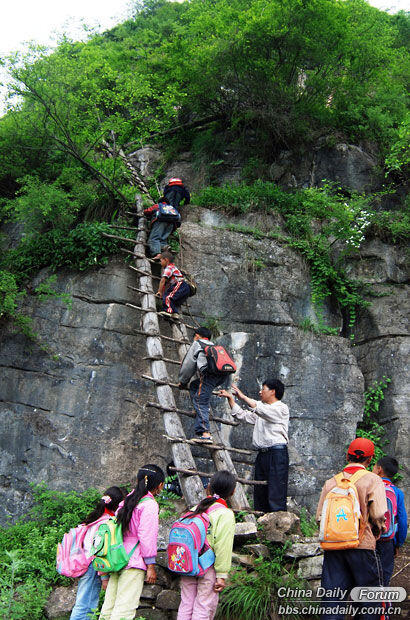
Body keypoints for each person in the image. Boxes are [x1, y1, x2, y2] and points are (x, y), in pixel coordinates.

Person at [316, 438, 388, 620]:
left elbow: (319, 518)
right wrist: (378, 530)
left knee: (332, 600)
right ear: (370, 459)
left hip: (334, 548)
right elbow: (379, 513)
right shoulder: (373, 480)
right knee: (367, 600)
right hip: (362, 546)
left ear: (347, 456)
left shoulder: (331, 482)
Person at [99, 465, 165, 620]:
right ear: (160, 485)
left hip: (117, 558)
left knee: (107, 609)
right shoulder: (149, 505)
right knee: (124, 611)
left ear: (137, 480)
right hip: (133, 561)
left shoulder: (125, 502)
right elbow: (146, 536)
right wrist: (150, 565)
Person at [219, 379, 289, 512]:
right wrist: (231, 399)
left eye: (263, 389)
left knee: (276, 489)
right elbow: (243, 415)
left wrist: (243, 397)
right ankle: (261, 518)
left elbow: (260, 409)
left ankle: (278, 522)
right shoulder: (261, 411)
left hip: (277, 453)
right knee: (260, 489)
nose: (260, 392)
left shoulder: (281, 408)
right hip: (263, 453)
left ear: (273, 392)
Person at [177, 470, 236, 620]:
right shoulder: (225, 514)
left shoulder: (194, 510)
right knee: (203, 605)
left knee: (186, 604)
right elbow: (223, 546)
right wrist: (221, 575)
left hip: (188, 563)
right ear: (233, 492)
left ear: (208, 488)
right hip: (207, 566)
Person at [70, 486, 124, 620]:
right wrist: (104, 577)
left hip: (87, 563)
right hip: (94, 566)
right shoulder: (107, 522)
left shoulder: (96, 518)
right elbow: (100, 551)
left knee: (84, 601)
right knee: (86, 604)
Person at [178, 327, 227, 443]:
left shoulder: (197, 344)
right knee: (195, 385)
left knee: (200, 401)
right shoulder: (214, 346)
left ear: (197, 335)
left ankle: (205, 433)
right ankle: (200, 411)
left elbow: (188, 365)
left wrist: (183, 381)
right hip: (222, 376)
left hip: (208, 375)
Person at [373, 456, 408, 586]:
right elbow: (403, 521)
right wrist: (398, 543)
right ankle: (382, 604)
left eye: (374, 466)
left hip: (369, 539)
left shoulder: (370, 488)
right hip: (388, 541)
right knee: (384, 576)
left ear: (379, 469)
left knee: (367, 576)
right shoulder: (397, 492)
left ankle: (364, 604)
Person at [156, 251, 191, 318]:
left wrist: (159, 291)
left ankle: (168, 311)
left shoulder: (169, 268)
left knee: (167, 297)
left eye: (161, 261)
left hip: (180, 285)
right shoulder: (173, 267)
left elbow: (163, 280)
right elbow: (167, 284)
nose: (160, 263)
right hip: (185, 289)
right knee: (173, 301)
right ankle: (175, 313)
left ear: (166, 260)